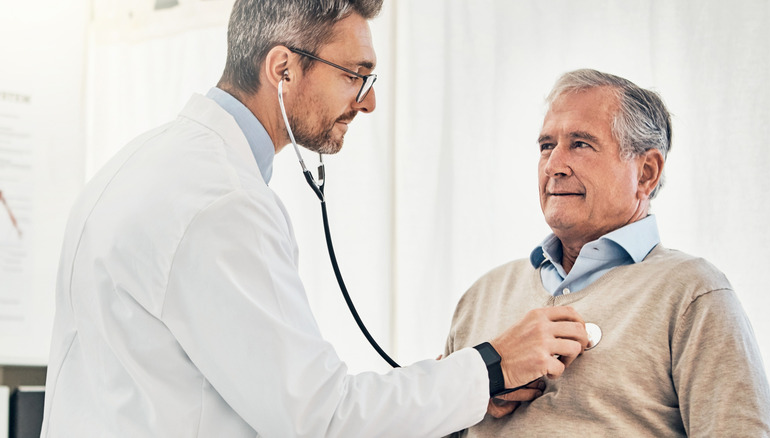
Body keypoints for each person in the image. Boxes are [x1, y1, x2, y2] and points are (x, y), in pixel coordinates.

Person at [40, 1, 590, 436]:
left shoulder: (136, 164)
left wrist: (458, 388)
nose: (368, 102)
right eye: (357, 74)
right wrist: (490, 366)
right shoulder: (223, 204)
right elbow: (322, 419)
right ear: (283, 69)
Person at [444, 69, 770, 436]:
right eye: (546, 146)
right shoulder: (482, 296)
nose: (554, 166)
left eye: (581, 144)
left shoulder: (693, 293)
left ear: (646, 173)